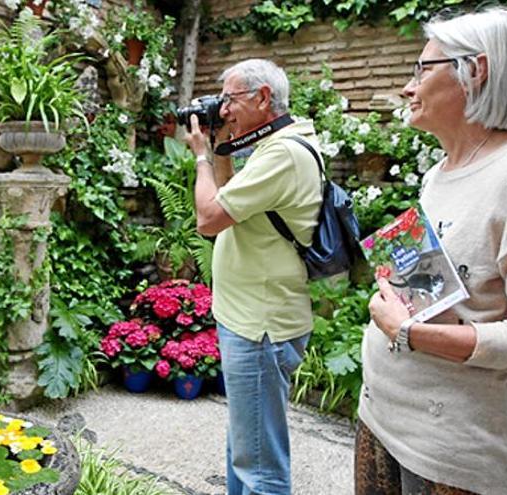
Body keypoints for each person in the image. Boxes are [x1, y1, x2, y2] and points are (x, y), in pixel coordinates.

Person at [358, 8, 507, 495]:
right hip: (379, 415)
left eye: (422, 69)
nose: (409, 87)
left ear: (476, 69)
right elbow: (448, 299)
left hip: (452, 452)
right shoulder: (438, 172)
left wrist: (409, 333)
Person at [184, 58, 323, 494]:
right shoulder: (273, 146)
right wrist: (222, 147)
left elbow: (208, 217)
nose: (222, 110)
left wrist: (203, 156)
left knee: (260, 467)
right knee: (246, 450)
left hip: (260, 327)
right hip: (250, 319)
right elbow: (229, 205)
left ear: (263, 98)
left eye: (229, 100)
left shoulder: (281, 154)